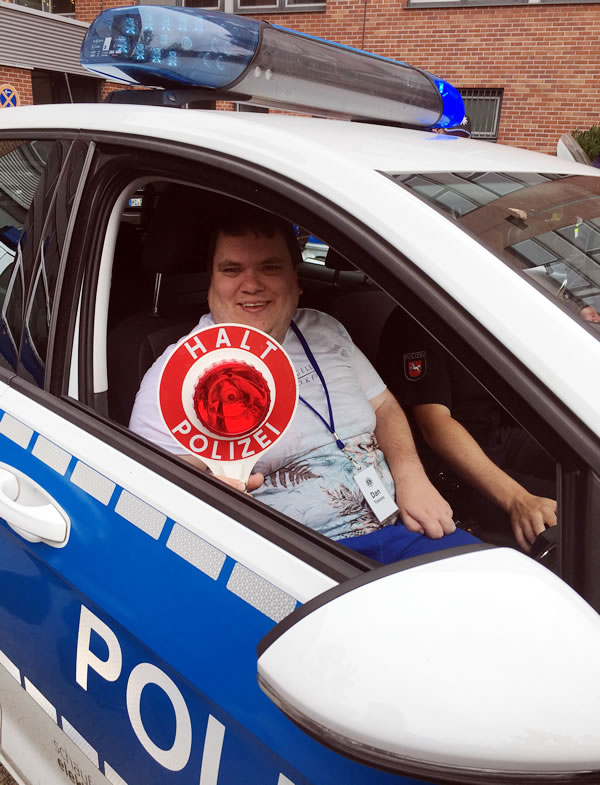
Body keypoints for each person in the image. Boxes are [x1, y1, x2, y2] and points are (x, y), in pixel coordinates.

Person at [130, 206, 480, 563]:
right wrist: (203, 498)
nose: (251, 284)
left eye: (270, 267)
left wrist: (410, 475)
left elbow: (384, 406)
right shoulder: (176, 377)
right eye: (231, 269)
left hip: (402, 524)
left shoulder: (324, 329)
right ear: (211, 284)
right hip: (302, 558)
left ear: (296, 281)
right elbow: (146, 493)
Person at [378, 308, 557, 552]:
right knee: (569, 513)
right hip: (447, 467)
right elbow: (435, 424)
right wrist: (518, 499)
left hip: (495, 438)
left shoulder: (481, 310)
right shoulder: (417, 321)